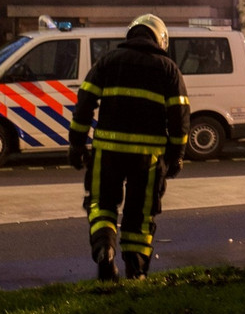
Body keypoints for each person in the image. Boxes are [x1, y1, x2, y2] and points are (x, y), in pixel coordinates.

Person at [69, 14, 190, 281]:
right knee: (140, 213)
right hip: (147, 158)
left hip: (107, 152)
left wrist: (76, 145)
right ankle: (136, 271)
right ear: (160, 39)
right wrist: (176, 157)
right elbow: (180, 118)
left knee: (101, 204)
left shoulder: (108, 61)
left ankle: (104, 250)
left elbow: (84, 104)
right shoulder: (168, 68)